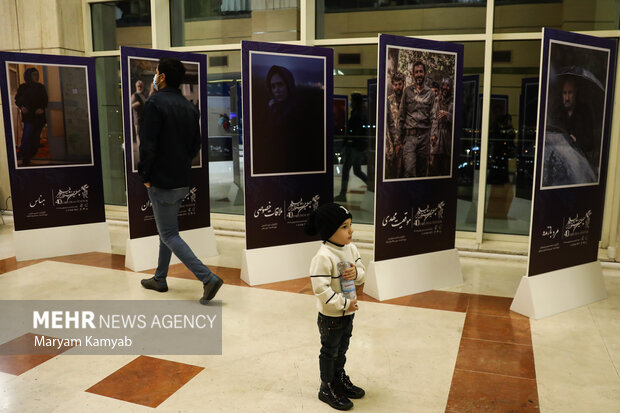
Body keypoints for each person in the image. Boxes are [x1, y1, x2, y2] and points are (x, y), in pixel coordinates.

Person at [138, 57, 223, 305]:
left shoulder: (154, 103)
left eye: (156, 72)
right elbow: (195, 145)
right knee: (166, 231)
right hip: (182, 179)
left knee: (169, 233)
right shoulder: (189, 107)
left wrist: (145, 176)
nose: (155, 75)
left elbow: (148, 145)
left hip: (160, 180)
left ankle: (208, 278)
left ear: (162, 77)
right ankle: (160, 278)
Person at [304, 203, 366, 411]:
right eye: (344, 227)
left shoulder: (351, 248)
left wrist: (356, 274)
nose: (351, 230)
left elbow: (362, 271)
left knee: (343, 347)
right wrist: (344, 303)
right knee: (330, 350)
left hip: (349, 312)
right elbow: (321, 291)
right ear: (330, 230)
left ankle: (339, 379)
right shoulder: (323, 257)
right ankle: (327, 387)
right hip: (330, 316)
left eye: (350, 225)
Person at [253, 65, 323, 175]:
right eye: (273, 86)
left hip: (295, 168)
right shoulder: (271, 108)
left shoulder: (300, 109)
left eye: (280, 84)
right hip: (273, 167)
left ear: (288, 84)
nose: (277, 90)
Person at [396, 60, 435, 178]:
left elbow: (433, 116)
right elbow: (401, 116)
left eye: (421, 72)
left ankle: (421, 197)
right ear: (413, 74)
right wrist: (398, 141)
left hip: (425, 138)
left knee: (422, 173)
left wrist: (433, 135)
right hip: (410, 138)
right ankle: (409, 197)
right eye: (416, 72)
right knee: (409, 171)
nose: (419, 74)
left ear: (425, 73)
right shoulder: (407, 91)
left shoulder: (430, 93)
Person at [335, 93, 368, 202]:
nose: (350, 102)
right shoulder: (359, 113)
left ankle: (343, 194)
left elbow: (354, 133)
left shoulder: (357, 115)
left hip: (354, 147)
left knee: (346, 170)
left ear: (355, 102)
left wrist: (348, 143)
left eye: (351, 100)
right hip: (356, 147)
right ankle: (372, 185)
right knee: (357, 170)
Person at [15, 68, 48, 167]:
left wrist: (42, 108)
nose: (37, 77)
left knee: (35, 140)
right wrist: (22, 107)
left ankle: (28, 157)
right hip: (29, 117)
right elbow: (18, 99)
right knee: (26, 138)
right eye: (34, 75)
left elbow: (45, 100)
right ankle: (23, 157)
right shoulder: (23, 87)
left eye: (37, 74)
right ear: (28, 76)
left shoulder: (40, 87)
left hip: (39, 118)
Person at [430, 77, 454, 176]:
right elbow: (434, 119)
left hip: (448, 137)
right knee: (434, 167)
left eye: (447, 86)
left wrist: (447, 115)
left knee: (446, 167)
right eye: (443, 85)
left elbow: (457, 119)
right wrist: (433, 134)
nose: (445, 88)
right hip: (438, 136)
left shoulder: (453, 101)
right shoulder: (436, 100)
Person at [386, 72, 405, 179]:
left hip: (406, 140)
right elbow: (390, 124)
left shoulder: (407, 99)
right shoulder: (389, 100)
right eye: (396, 84)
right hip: (392, 142)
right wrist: (396, 142)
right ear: (393, 85)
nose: (398, 87)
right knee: (393, 171)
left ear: (403, 84)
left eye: (400, 84)